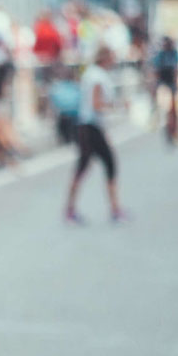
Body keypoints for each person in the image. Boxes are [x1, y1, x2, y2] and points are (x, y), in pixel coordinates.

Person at [65, 45, 127, 225]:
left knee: (84, 167)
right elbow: (96, 104)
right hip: (91, 126)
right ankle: (114, 209)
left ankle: (71, 209)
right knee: (108, 164)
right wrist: (118, 105)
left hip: (88, 126)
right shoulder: (98, 77)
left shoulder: (91, 73)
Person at [151, 35, 178, 144]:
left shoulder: (173, 53)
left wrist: (176, 83)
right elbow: (156, 72)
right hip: (163, 84)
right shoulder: (160, 55)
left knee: (174, 109)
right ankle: (167, 126)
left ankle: (175, 130)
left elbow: (176, 70)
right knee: (166, 107)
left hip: (171, 83)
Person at [46, 63, 83, 147]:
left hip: (74, 116)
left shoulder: (74, 85)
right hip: (65, 116)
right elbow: (53, 103)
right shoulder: (56, 87)